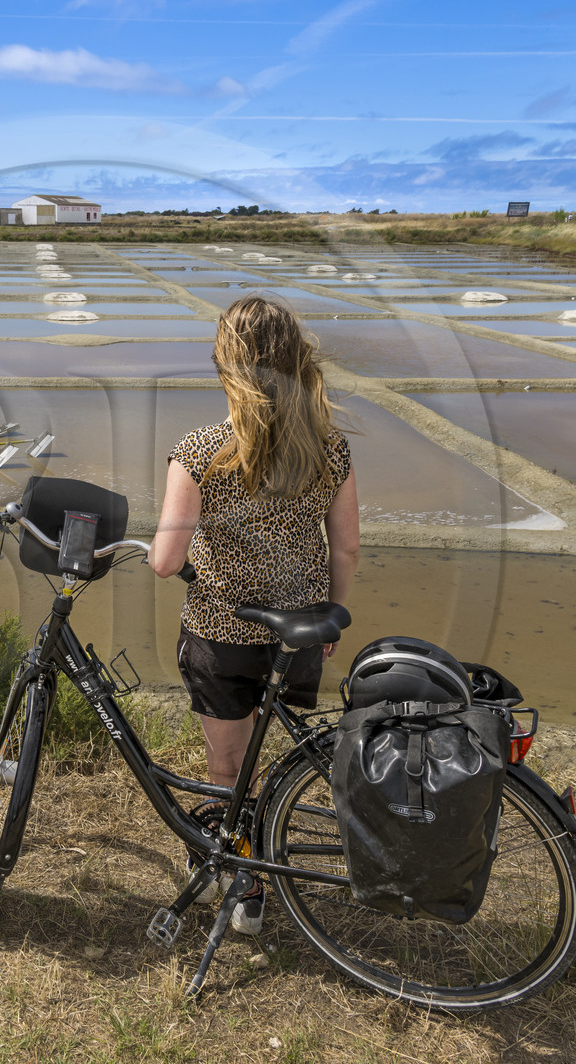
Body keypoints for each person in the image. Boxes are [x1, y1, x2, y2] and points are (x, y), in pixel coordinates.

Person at [148, 294, 360, 933]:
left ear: (228, 367)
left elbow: (164, 561)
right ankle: (263, 863)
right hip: (299, 631)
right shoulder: (331, 448)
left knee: (227, 767)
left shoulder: (205, 451)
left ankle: (245, 885)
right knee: (276, 760)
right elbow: (345, 546)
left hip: (223, 630)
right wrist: (332, 615)